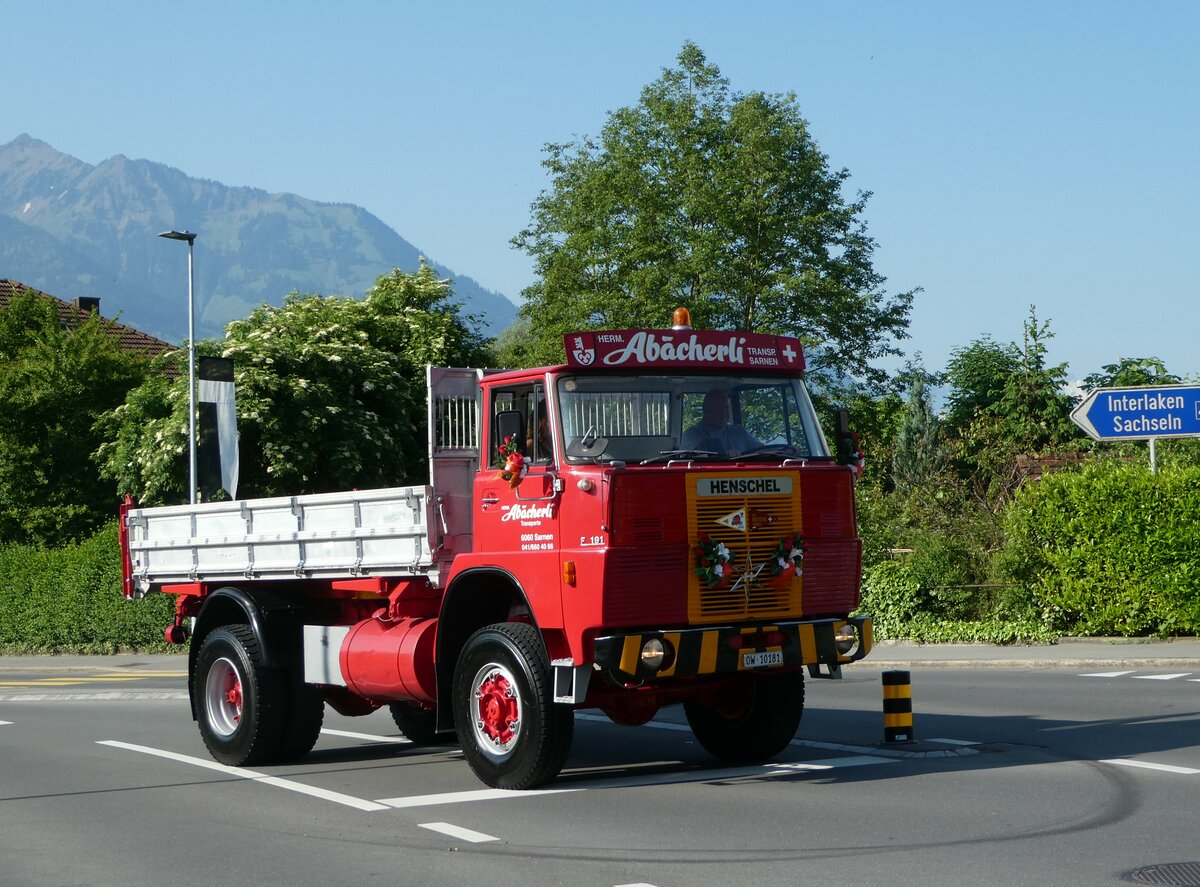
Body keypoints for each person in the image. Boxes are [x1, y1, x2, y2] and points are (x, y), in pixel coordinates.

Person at [681, 388, 761, 457]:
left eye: (725, 407)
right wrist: (724, 456)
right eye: (717, 407)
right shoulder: (693, 434)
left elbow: (761, 451)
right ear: (706, 409)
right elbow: (687, 459)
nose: (723, 412)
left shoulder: (739, 431)